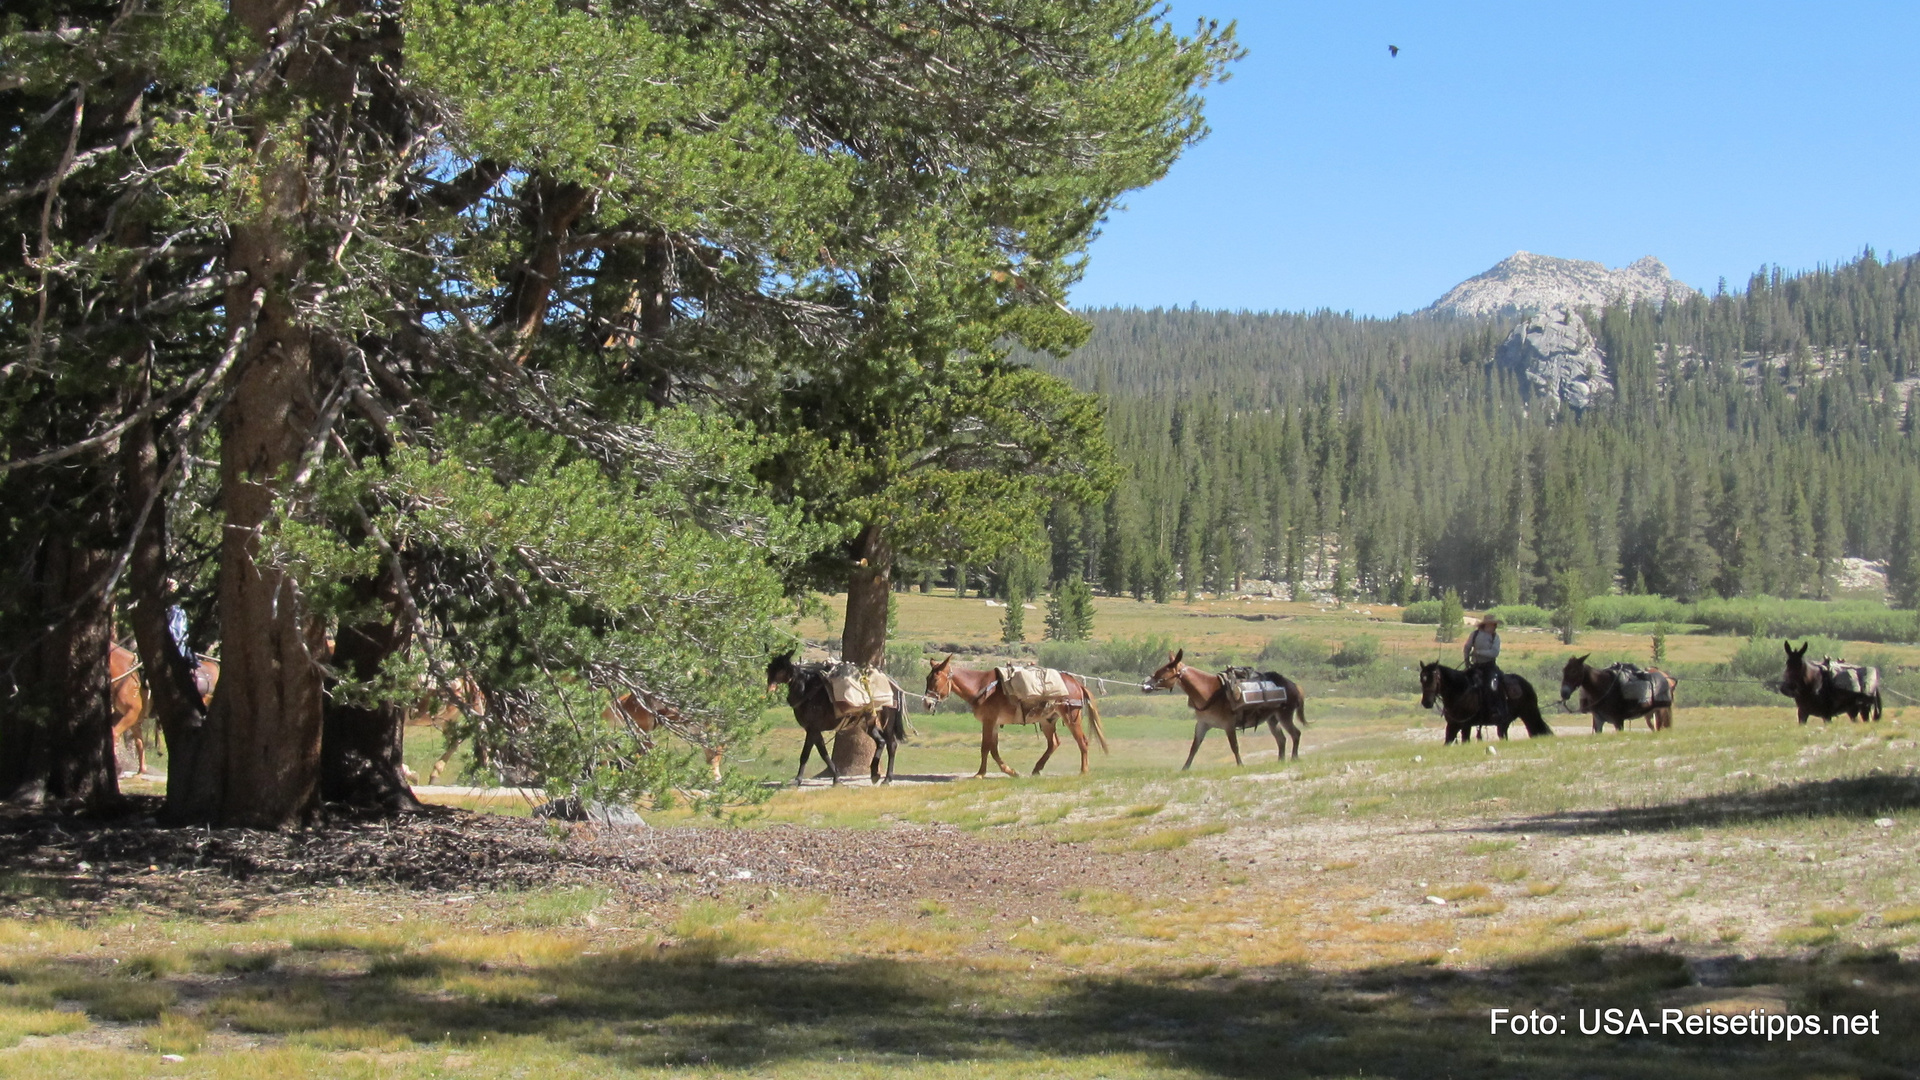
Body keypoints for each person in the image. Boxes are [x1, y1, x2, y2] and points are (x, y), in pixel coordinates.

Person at [1462, 614, 1506, 721]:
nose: (1495, 627)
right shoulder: (1475, 634)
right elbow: (1467, 647)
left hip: (1489, 667)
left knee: (1493, 686)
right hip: (1475, 666)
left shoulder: (1495, 637)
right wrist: (1467, 659)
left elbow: (1494, 653)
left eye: (1495, 625)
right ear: (1487, 625)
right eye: (1493, 625)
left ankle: (1495, 709)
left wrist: (1478, 652)